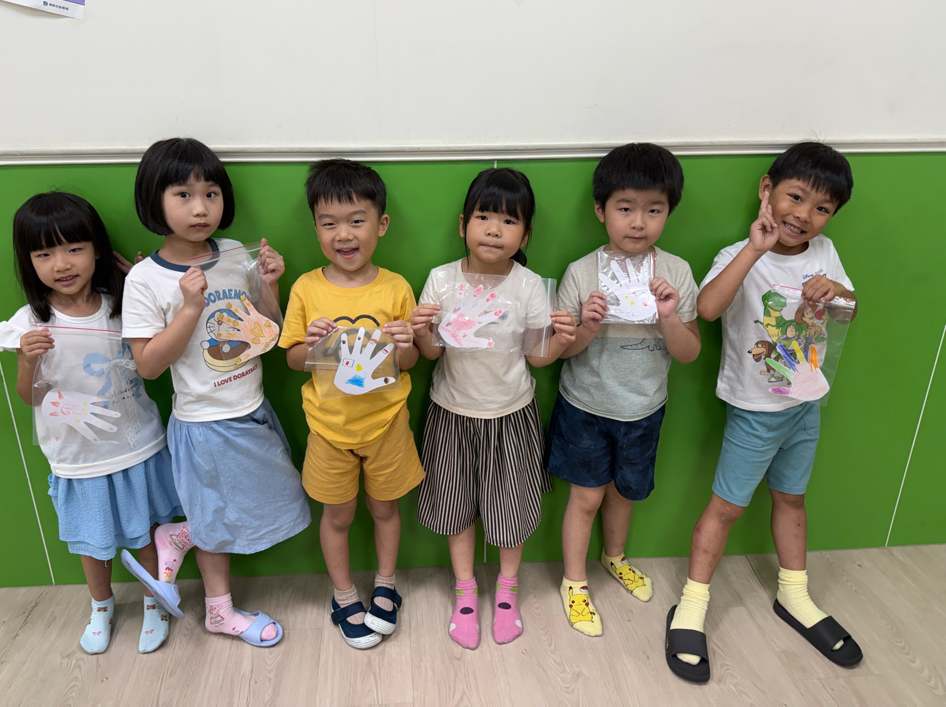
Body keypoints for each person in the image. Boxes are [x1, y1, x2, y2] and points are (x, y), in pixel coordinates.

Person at [665, 142, 863, 683]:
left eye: (821, 208)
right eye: (794, 197)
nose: (804, 215)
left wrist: (839, 290)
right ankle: (692, 604)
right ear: (766, 190)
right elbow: (708, 309)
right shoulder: (739, 253)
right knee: (726, 509)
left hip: (805, 403)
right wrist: (755, 251)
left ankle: (794, 594)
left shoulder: (825, 252)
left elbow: (848, 310)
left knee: (792, 498)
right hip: (755, 409)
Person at [121, 138, 311, 647]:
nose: (200, 208)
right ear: (154, 201)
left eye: (210, 193)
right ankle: (219, 611)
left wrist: (270, 284)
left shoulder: (232, 254)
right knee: (218, 523)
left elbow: (268, 331)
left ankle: (182, 534)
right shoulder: (145, 279)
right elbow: (148, 366)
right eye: (182, 195)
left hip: (251, 406)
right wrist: (189, 309)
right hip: (204, 422)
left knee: (272, 497)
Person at [0, 191, 183, 655]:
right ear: (28, 262)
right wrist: (26, 361)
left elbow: (159, 352)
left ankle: (156, 599)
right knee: (92, 542)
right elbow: (30, 397)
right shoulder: (29, 323)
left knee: (148, 530)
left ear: (97, 249)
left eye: (74, 248)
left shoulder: (123, 306)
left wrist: (141, 284)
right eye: (44, 254)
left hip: (137, 444)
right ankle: (101, 605)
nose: (62, 264)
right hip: (78, 456)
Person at [411, 167, 575, 649]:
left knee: (511, 507)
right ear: (463, 224)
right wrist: (422, 330)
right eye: (484, 217)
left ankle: (506, 589)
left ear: (525, 234)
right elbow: (431, 353)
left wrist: (562, 340)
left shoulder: (528, 286)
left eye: (509, 220)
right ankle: (465, 590)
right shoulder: (441, 279)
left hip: (512, 415)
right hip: (451, 413)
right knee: (455, 505)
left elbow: (537, 357)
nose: (494, 229)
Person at [547, 143, 701, 637]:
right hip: (586, 406)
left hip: (644, 408)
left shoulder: (675, 272)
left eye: (654, 210)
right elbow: (562, 352)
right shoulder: (581, 272)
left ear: (669, 212)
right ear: (601, 210)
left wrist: (669, 316)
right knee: (586, 497)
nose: (638, 222)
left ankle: (614, 557)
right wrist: (586, 327)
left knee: (623, 493)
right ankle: (574, 581)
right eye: (625, 208)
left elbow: (689, 352)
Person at [279, 159, 425, 650]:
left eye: (356, 220)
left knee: (385, 508)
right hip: (329, 428)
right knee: (337, 515)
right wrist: (313, 345)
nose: (343, 234)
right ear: (316, 229)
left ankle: (386, 584)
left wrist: (406, 343)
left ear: (381, 225)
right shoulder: (306, 287)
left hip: (387, 424)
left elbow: (408, 362)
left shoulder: (397, 287)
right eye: (329, 223)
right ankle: (343, 595)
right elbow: (293, 359)